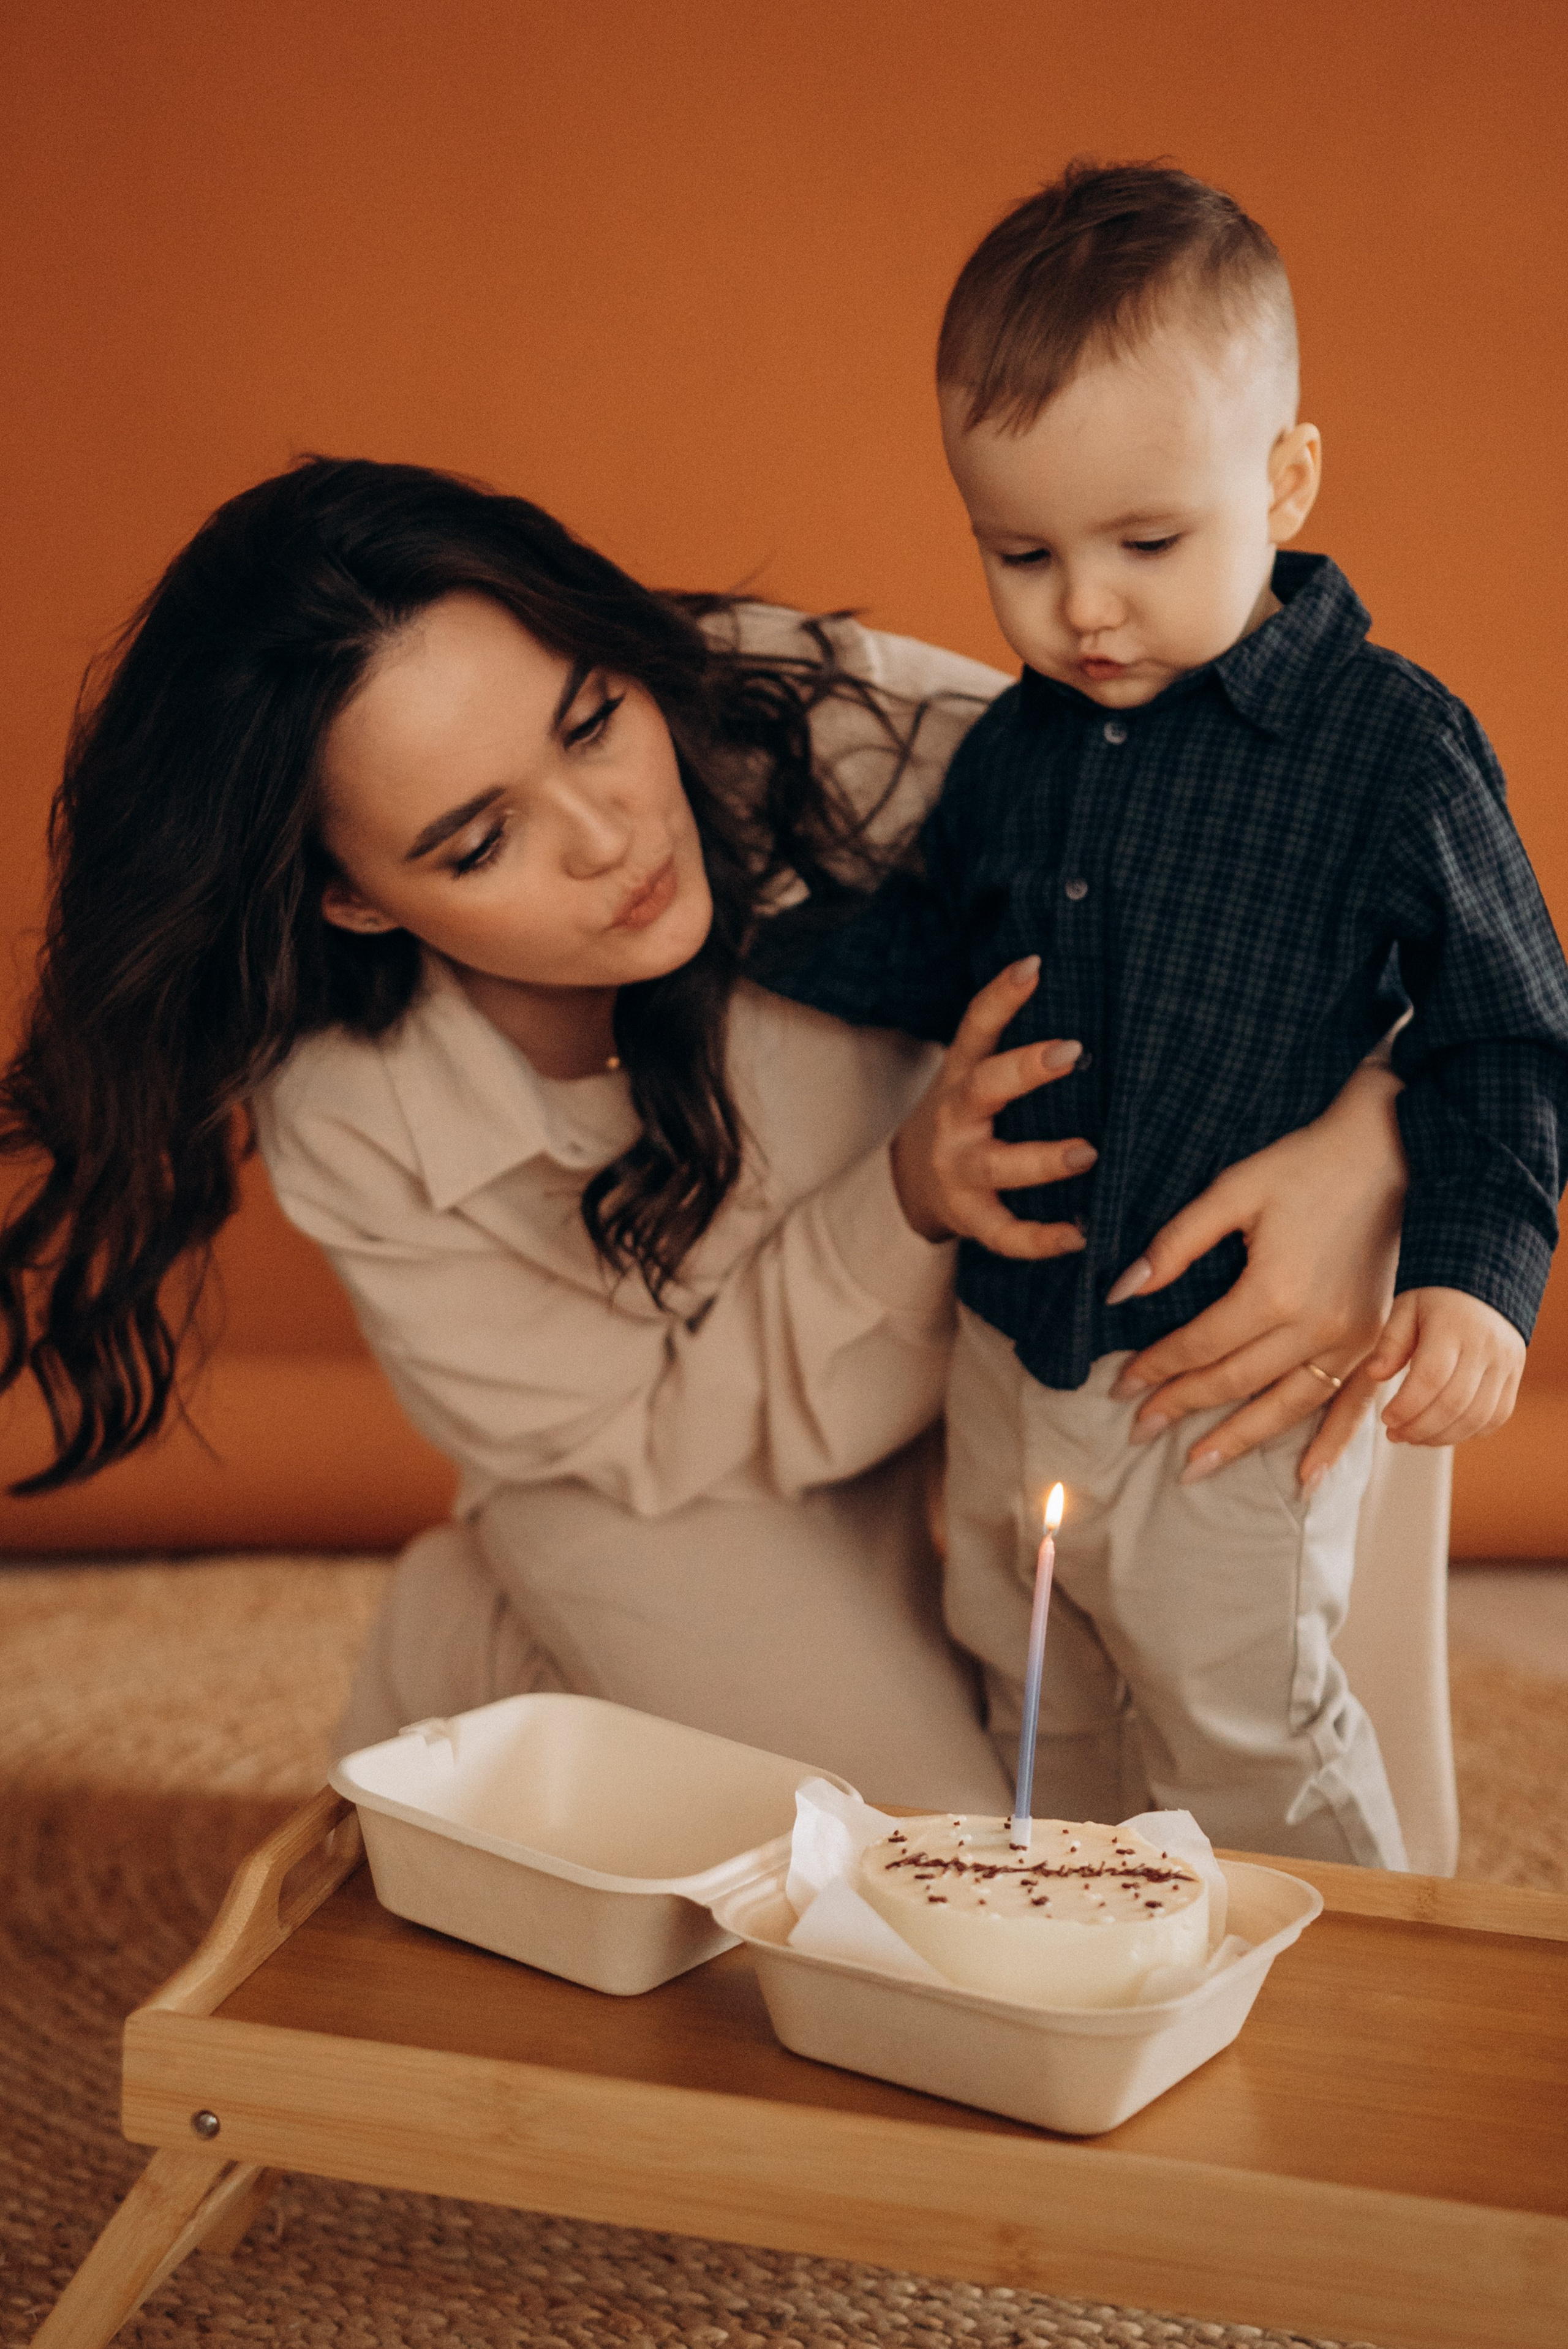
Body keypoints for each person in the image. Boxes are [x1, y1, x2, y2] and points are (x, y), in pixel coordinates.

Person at [2, 456, 1413, 1809]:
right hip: (662, 1480)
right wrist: (900, 1200)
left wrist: (1374, 1137)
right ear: (355, 898)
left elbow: (1314, 859)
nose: (606, 837)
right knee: (921, 1880)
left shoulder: (805, 721)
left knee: (1271, 1826)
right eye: (480, 842)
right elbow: (647, 1429)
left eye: (589, 723)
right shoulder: (350, 1108)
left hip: (1027, 1359)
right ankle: (484, 1640)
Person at [750, 161, 1568, 1861]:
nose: (1081, 606)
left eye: (1145, 542)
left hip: (1223, 1383)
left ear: (1284, 481)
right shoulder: (1020, 745)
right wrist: (741, 936)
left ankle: (1351, 1976)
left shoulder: (1388, 747)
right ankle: (1086, 1944)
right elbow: (925, 949)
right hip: (1012, 1343)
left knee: (1240, 1717)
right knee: (1034, 1694)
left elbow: (1506, 1033)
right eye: (1020, 553)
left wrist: (1477, 1276)